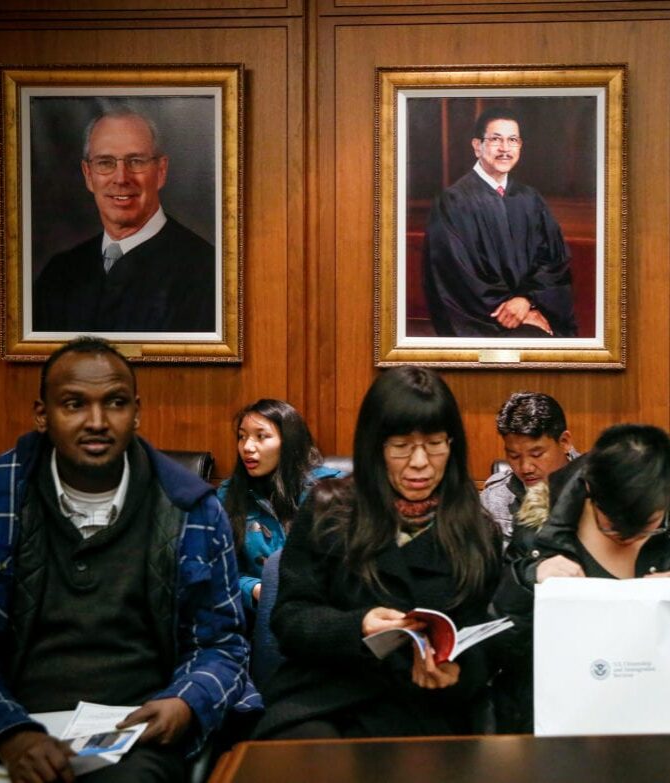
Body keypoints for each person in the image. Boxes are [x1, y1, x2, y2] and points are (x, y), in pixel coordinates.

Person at [0, 337, 258, 782]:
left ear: (136, 412)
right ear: (42, 415)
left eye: (116, 403)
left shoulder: (192, 508)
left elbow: (222, 643)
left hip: (133, 735)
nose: (97, 422)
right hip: (9, 727)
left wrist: (184, 702)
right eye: (74, 404)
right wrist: (11, 733)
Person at [254, 366, 502, 740]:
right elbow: (290, 619)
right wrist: (358, 626)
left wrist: (458, 672)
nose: (420, 463)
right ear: (375, 447)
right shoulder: (329, 511)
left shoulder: (476, 530)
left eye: (435, 444)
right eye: (401, 447)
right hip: (326, 701)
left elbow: (485, 639)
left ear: (452, 445)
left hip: (424, 708)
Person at [492, 424, 670, 733]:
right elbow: (499, 647)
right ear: (590, 491)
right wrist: (527, 581)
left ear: (669, 495)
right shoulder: (540, 530)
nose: (628, 539)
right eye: (612, 526)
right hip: (565, 726)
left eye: (646, 526)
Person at [33, 106, 216, 333]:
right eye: (105, 162)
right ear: (88, 175)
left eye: (136, 161)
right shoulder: (59, 274)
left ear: (161, 171)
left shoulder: (207, 273)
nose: (121, 178)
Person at [422, 106, 577, 337]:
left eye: (512, 140)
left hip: (532, 306)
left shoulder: (530, 198)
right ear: (477, 146)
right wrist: (517, 312)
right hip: (483, 319)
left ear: (520, 146)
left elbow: (554, 260)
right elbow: (458, 277)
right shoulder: (454, 202)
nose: (505, 149)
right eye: (496, 139)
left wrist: (527, 300)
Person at [217, 399, 344, 617]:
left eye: (261, 436)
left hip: (320, 612)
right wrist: (256, 589)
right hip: (256, 616)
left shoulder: (329, 492)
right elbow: (220, 570)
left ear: (289, 442)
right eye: (242, 436)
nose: (247, 447)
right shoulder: (229, 494)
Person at [480, 391, 579, 545]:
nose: (525, 468)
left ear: (564, 442)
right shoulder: (493, 499)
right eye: (514, 456)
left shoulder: (597, 487)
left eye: (536, 454)